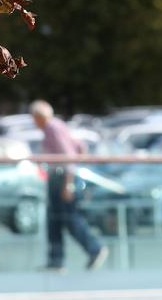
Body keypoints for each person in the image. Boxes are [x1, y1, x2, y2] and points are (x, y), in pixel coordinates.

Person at [31, 100, 108, 272]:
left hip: (61, 177)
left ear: (39, 116)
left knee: (68, 218)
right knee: (55, 220)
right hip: (59, 177)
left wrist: (68, 182)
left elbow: (68, 155)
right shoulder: (56, 126)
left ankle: (94, 249)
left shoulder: (52, 128)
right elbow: (79, 147)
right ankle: (56, 260)